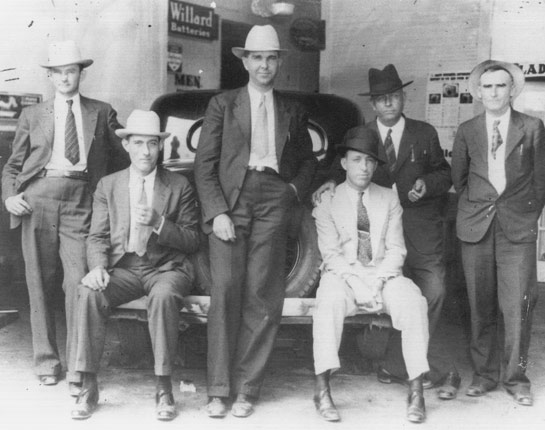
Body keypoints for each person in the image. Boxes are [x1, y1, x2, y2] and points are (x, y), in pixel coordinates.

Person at [312, 64, 458, 398]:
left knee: (433, 291)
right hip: (373, 232)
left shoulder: (424, 133)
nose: (388, 103)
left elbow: (444, 173)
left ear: (403, 97)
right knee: (388, 291)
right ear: (373, 104)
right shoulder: (361, 133)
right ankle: (398, 363)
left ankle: (397, 362)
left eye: (394, 96)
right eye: (381, 99)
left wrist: (427, 183)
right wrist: (330, 182)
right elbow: (338, 168)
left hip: (418, 228)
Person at [194, 25, 316, 418]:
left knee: (263, 294)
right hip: (232, 199)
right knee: (225, 289)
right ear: (245, 62)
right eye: (257, 58)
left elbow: (308, 161)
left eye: (271, 58)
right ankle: (218, 390)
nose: (264, 65)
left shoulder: (292, 108)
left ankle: (247, 389)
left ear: (279, 62)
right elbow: (204, 165)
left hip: (274, 198)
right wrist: (217, 212)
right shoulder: (223, 104)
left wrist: (292, 191)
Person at [1, 40, 128, 393]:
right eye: (57, 72)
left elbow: (124, 160)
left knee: (78, 282)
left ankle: (78, 367)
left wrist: (111, 200)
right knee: (38, 282)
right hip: (38, 198)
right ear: (50, 76)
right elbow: (12, 166)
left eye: (70, 71)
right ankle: (46, 362)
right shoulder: (32, 115)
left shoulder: (101, 112)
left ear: (80, 73)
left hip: (81, 200)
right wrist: (10, 196)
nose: (64, 78)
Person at [70, 110, 200, 420]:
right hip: (123, 268)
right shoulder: (108, 185)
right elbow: (97, 236)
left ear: (161, 146)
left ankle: (164, 387)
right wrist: (98, 267)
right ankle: (88, 385)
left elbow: (193, 240)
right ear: (126, 145)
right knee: (89, 293)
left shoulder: (179, 185)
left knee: (164, 296)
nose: (146, 151)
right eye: (138, 143)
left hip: (166, 268)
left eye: (152, 143)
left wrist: (159, 223)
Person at [312, 127, 429, 423]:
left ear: (376, 166)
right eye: (356, 160)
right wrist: (356, 284)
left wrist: (377, 282)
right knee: (328, 302)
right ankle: (322, 389)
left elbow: (396, 249)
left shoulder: (389, 198)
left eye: (369, 161)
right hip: (343, 276)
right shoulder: (327, 201)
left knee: (414, 301)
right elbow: (331, 255)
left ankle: (417, 391)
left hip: (382, 275)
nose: (363, 167)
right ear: (343, 163)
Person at [451, 60, 545, 406]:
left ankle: (516, 379)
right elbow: (460, 179)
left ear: (512, 90)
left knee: (517, 305)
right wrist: (480, 207)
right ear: (478, 92)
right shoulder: (467, 130)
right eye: (487, 87)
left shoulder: (532, 127)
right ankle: (484, 375)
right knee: (480, 304)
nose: (494, 93)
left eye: (500, 86)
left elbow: (541, 180)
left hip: (516, 229)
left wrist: (525, 215)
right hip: (476, 226)